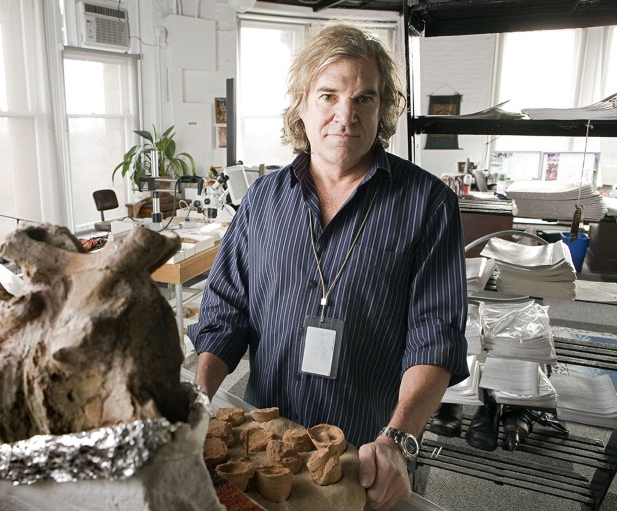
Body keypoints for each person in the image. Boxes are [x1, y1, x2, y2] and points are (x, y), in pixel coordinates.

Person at [189, 23, 469, 511]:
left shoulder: (429, 204)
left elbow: (436, 336)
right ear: (301, 105)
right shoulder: (262, 200)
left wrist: (397, 439)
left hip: (366, 452)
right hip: (265, 443)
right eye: (328, 96)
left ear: (382, 109)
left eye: (365, 98)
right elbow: (225, 312)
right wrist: (196, 400)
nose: (346, 115)